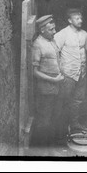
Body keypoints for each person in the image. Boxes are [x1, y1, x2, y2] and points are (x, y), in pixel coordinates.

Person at [31, 15, 64, 149]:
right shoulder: (38, 44)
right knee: (44, 120)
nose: (54, 31)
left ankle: (51, 147)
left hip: (57, 85)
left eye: (54, 28)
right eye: (51, 29)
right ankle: (41, 151)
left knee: (55, 117)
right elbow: (34, 72)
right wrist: (53, 80)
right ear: (42, 30)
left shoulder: (52, 40)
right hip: (46, 88)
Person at [54, 8, 87, 135]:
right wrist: (60, 70)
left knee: (78, 100)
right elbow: (54, 52)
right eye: (77, 18)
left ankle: (74, 124)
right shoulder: (62, 34)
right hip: (68, 74)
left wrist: (83, 70)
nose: (80, 20)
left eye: (81, 18)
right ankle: (60, 130)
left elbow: (84, 52)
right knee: (63, 101)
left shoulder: (84, 34)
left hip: (82, 74)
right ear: (69, 20)